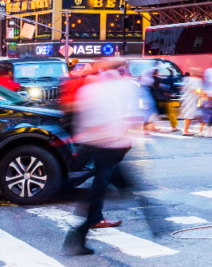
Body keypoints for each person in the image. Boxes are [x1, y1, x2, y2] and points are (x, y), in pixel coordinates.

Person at [64, 59, 152, 256]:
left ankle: (80, 233)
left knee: (105, 187)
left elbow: (81, 118)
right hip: (109, 145)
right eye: (123, 70)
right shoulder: (116, 88)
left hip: (101, 145)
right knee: (102, 189)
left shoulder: (91, 88)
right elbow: (133, 114)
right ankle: (77, 235)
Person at [178, 69, 207, 136]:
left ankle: (186, 130)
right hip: (192, 99)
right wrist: (203, 93)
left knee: (188, 115)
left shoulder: (186, 79)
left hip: (185, 98)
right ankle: (187, 131)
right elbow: (196, 90)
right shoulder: (197, 80)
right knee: (191, 115)